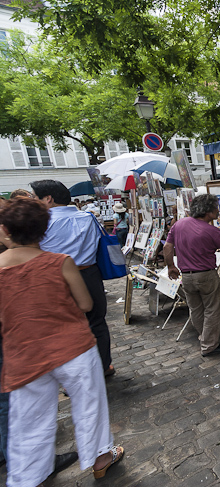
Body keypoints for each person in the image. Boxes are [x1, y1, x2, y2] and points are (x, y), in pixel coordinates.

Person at [0, 198, 124, 485]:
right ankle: (101, 458)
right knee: (89, 403)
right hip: (72, 347)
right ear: (44, 231)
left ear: (5, 230)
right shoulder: (59, 262)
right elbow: (84, 303)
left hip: (24, 353)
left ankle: (28, 477)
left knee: (29, 420)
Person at [30, 180, 115, 377]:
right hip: (89, 275)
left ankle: (73, 375)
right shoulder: (87, 217)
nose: (32, 201)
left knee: (61, 326)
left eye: (34, 197)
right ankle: (103, 366)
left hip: (53, 277)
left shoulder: (40, 223)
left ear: (48, 199)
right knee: (97, 323)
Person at [163, 194, 220, 356]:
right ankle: (209, 346)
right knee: (212, 310)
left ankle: (204, 338)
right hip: (206, 276)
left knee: (196, 309)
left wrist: (170, 266)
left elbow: (167, 246)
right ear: (208, 212)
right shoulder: (211, 230)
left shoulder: (179, 224)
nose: (218, 211)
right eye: (216, 208)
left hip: (187, 276)